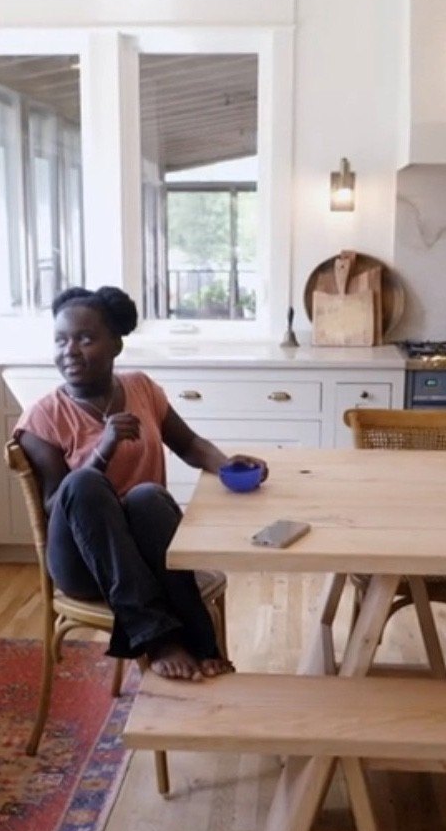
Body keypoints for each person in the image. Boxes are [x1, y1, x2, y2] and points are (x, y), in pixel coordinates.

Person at [15, 286, 265, 681]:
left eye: (85, 338)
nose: (70, 351)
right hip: (82, 560)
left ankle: (200, 643)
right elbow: (57, 503)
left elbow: (189, 444)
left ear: (115, 344)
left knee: (148, 497)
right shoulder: (42, 418)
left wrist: (226, 463)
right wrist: (104, 448)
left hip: (146, 550)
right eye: (61, 340)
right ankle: (157, 637)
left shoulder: (141, 389)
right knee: (84, 483)